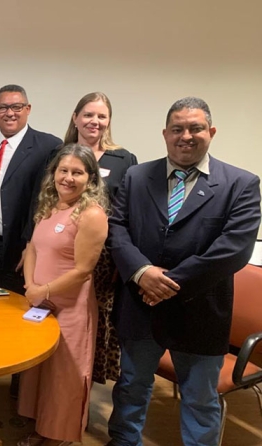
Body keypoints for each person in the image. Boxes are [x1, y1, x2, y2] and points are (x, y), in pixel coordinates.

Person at [107, 97, 261, 446]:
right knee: (130, 387)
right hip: (140, 310)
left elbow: (234, 249)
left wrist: (164, 282)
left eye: (195, 128)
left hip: (200, 313)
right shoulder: (136, 176)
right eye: (177, 129)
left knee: (201, 400)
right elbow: (117, 229)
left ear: (211, 132)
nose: (186, 136)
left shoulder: (241, 183)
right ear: (165, 133)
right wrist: (141, 272)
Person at [17, 144, 109, 446]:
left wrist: (41, 290)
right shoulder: (50, 205)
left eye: (77, 173)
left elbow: (83, 270)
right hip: (40, 303)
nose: (68, 178)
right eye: (63, 170)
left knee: (64, 376)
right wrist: (31, 286)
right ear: (53, 173)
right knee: (41, 373)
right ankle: (42, 428)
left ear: (90, 178)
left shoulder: (92, 214)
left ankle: (58, 436)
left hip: (70, 308)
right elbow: (32, 248)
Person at [63, 92, 138, 384]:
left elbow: (128, 212)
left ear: (109, 121)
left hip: (103, 258)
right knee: (62, 312)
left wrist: (124, 258)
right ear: (75, 118)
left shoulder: (124, 159)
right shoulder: (59, 153)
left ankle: (82, 385)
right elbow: (43, 200)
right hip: (61, 249)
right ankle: (57, 382)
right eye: (88, 114)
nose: (95, 121)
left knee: (94, 317)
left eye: (101, 116)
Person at [0, 84, 61, 294]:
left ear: (28, 109)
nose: (9, 113)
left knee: (15, 306)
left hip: (18, 247)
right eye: (2, 107)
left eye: (16, 107)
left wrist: (31, 244)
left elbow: (48, 200)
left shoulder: (48, 146)